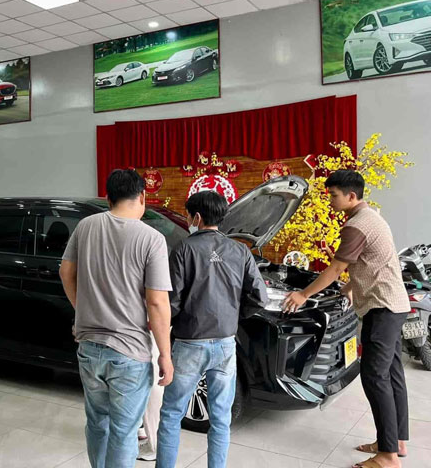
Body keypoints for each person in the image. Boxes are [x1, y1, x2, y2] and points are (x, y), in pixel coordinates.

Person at [284, 170, 410, 468]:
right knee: (392, 374)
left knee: (375, 376)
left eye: (334, 195)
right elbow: (375, 260)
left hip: (382, 308)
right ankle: (395, 442)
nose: (330, 200)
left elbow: (335, 268)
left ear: (351, 196)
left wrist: (302, 295)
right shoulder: (372, 216)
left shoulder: (356, 225)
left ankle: (388, 457)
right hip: (394, 304)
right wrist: (352, 286)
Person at [59, 168, 173, 468]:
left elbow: (66, 272)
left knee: (97, 423)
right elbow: (157, 302)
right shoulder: (152, 238)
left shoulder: (85, 226)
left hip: (89, 347)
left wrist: (82, 311)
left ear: (108, 198)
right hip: (129, 353)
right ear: (143, 197)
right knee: (124, 432)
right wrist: (165, 354)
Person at [157, 190, 268, 468]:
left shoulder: (183, 249)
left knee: (171, 414)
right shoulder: (240, 250)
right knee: (221, 419)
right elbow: (259, 297)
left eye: (187, 215)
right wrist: (233, 315)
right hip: (226, 344)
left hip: (189, 343)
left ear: (196, 217)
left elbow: (171, 302)